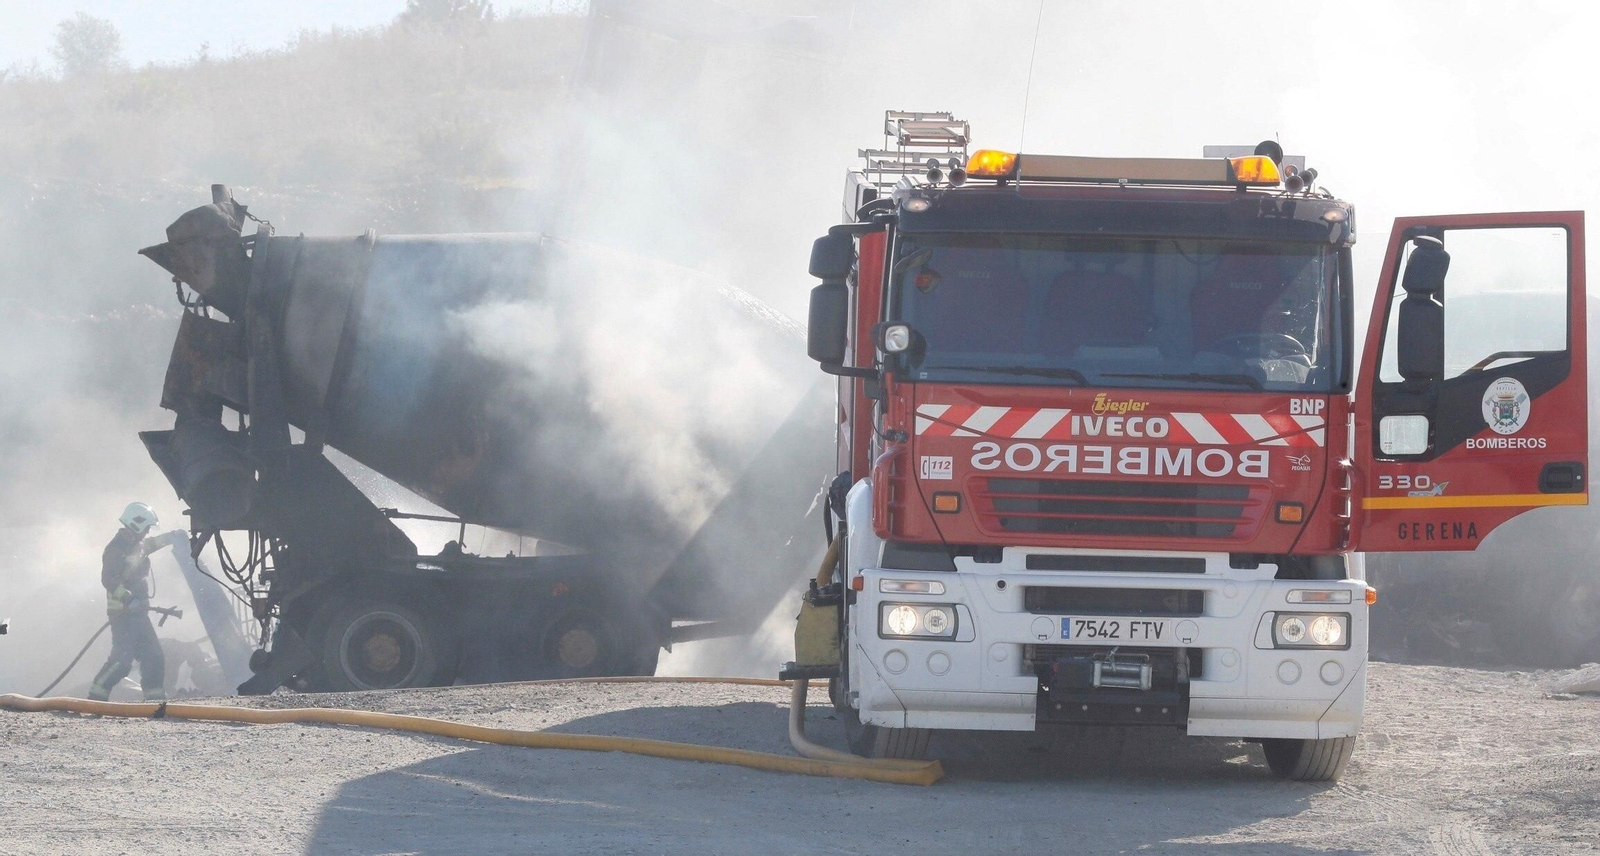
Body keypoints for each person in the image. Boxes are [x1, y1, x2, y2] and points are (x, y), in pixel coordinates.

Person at [87, 502, 177, 702]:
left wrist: (171, 537)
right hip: (123, 615)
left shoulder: (136, 544)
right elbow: (109, 580)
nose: (147, 532)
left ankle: (154, 702)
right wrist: (130, 598)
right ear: (137, 524)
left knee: (153, 656)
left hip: (138, 614)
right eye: (146, 527)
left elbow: (149, 545)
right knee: (121, 662)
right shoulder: (116, 548)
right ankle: (95, 698)